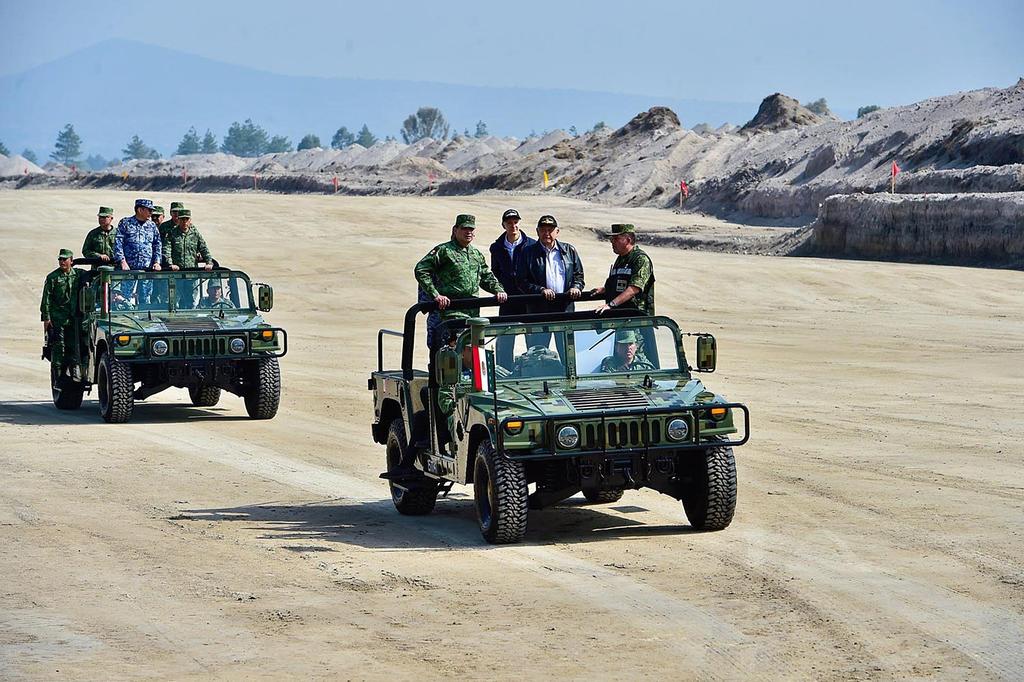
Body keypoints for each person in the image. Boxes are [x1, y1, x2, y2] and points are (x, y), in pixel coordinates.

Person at [414, 213, 507, 349]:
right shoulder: (444, 251)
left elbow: (486, 276)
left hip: (471, 314)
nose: (468, 232)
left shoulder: (476, 254)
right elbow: (421, 270)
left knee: (470, 354)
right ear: (455, 230)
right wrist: (435, 295)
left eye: (471, 229)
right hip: (447, 314)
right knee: (446, 356)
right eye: (464, 229)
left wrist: (498, 290)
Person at [514, 214, 584, 358]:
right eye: (543, 230)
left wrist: (576, 287)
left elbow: (579, 275)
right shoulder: (528, 252)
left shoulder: (569, 250)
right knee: (537, 353)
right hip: (539, 311)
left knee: (568, 353)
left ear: (557, 231)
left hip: (565, 310)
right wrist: (540, 290)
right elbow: (521, 281)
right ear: (537, 231)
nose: (547, 233)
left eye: (550, 230)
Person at [594, 223, 657, 362]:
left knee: (635, 361)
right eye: (612, 239)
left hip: (636, 322)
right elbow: (621, 284)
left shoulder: (640, 259)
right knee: (619, 361)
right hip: (620, 321)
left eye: (616, 239)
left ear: (628, 240)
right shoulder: (621, 259)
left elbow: (634, 288)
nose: (612, 242)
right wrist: (605, 290)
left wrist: (611, 305)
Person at [488, 208, 535, 368]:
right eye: (509, 223)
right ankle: (505, 370)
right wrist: (500, 288)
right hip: (508, 299)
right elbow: (495, 271)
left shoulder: (532, 245)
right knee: (506, 336)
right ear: (504, 225)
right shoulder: (496, 247)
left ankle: (534, 367)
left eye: (515, 222)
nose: (513, 226)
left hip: (529, 298)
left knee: (532, 336)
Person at [40, 248, 85, 382]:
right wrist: (46, 319)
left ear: (71, 261)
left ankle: (72, 375)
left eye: (64, 259)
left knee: (73, 346)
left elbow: (94, 276)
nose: (62, 262)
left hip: (74, 318)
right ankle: (58, 379)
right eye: (60, 259)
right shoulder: (53, 277)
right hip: (58, 318)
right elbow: (46, 299)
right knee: (59, 348)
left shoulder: (78, 274)